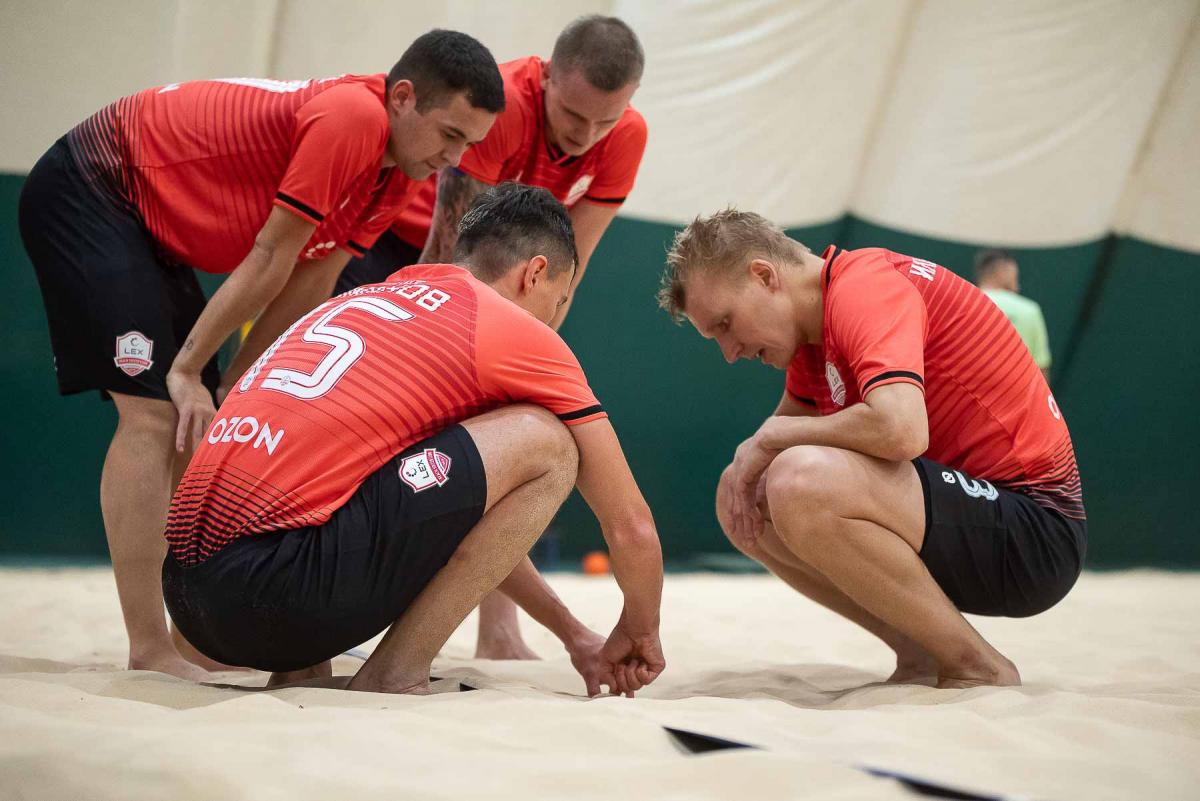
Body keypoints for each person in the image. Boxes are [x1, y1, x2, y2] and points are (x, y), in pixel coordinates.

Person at [18, 30, 504, 680]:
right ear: (404, 97)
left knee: (203, 422)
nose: (454, 158)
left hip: (150, 225)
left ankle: (192, 639)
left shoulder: (399, 174)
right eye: (449, 134)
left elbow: (311, 279)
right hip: (93, 185)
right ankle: (149, 649)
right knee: (156, 416)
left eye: (469, 144)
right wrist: (187, 369)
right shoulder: (354, 117)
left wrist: (238, 385)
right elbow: (273, 254)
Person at [162, 184, 666, 696]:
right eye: (556, 302)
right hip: (277, 596)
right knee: (550, 445)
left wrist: (573, 635)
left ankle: (300, 672)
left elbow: (459, 528)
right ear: (533, 273)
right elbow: (631, 525)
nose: (553, 320)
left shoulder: (367, 299)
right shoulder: (509, 330)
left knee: (337, 476)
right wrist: (641, 630)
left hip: (186, 597)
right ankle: (396, 673)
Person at [658, 209, 1086, 688]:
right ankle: (922, 651)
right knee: (740, 491)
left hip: (1037, 533)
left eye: (725, 324)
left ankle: (977, 665)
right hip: (969, 520)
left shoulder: (863, 286)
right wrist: (760, 450)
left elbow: (902, 430)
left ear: (764, 276)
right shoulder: (813, 335)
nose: (729, 352)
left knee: (799, 479)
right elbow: (765, 450)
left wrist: (773, 438)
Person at [335, 14, 648, 660]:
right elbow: (449, 256)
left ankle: (498, 630)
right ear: (548, 77)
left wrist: (527, 366)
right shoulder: (504, 105)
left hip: (507, 279)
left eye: (605, 120)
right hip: (404, 253)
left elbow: (566, 270)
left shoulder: (627, 136)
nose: (586, 134)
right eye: (574, 114)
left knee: (509, 419)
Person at [975, 249, 1053, 381]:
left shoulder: (965, 303)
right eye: (1015, 276)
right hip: (1018, 390)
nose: (1018, 284)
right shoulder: (1029, 310)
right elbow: (1041, 367)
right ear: (1002, 271)